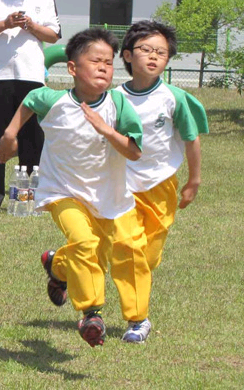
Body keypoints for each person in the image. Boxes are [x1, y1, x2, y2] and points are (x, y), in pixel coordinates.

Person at [0, 28, 145, 347]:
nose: (105, 67)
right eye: (96, 60)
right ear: (73, 68)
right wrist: (10, 135)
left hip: (107, 199)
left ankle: (57, 265)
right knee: (84, 242)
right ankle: (92, 313)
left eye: (109, 62)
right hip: (59, 192)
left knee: (93, 253)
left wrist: (107, 130)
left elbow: (134, 151)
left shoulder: (119, 104)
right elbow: (31, 100)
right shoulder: (54, 100)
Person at [116, 21, 209, 343]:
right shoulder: (112, 97)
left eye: (162, 52)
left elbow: (191, 138)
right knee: (129, 249)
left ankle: (65, 264)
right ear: (127, 55)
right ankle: (137, 320)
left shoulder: (174, 97)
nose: (154, 57)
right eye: (146, 50)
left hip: (161, 188)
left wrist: (193, 181)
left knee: (149, 257)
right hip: (120, 186)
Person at [0, 0, 61, 213]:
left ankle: (32, 195)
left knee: (33, 137)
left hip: (32, 77)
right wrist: (5, 24)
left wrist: (31, 26)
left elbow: (54, 35)